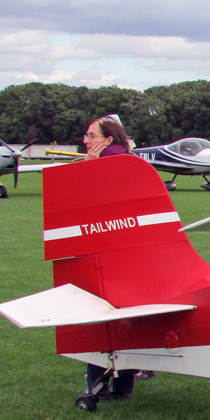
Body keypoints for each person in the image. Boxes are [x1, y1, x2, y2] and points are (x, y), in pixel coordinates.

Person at [81, 116, 138, 400]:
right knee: (129, 317)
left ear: (107, 140)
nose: (85, 140)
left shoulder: (106, 166)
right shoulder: (130, 163)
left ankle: (96, 386)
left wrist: (88, 172)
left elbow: (89, 210)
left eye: (91, 135)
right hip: (132, 258)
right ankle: (124, 385)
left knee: (99, 319)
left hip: (107, 258)